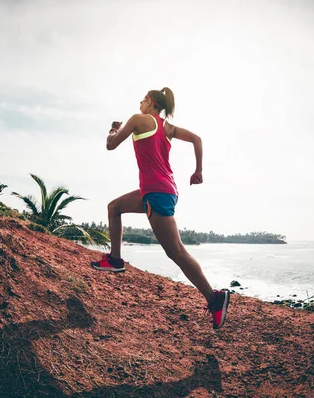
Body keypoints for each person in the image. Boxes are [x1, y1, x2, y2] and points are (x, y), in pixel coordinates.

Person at [91, 88, 230, 330]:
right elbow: (197, 139)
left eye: (143, 100)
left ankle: (215, 298)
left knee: (176, 252)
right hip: (160, 190)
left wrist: (113, 129)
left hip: (156, 192)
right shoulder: (167, 128)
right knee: (114, 208)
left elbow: (111, 145)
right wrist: (198, 171)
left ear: (150, 102)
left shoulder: (137, 119)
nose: (140, 103)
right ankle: (115, 259)